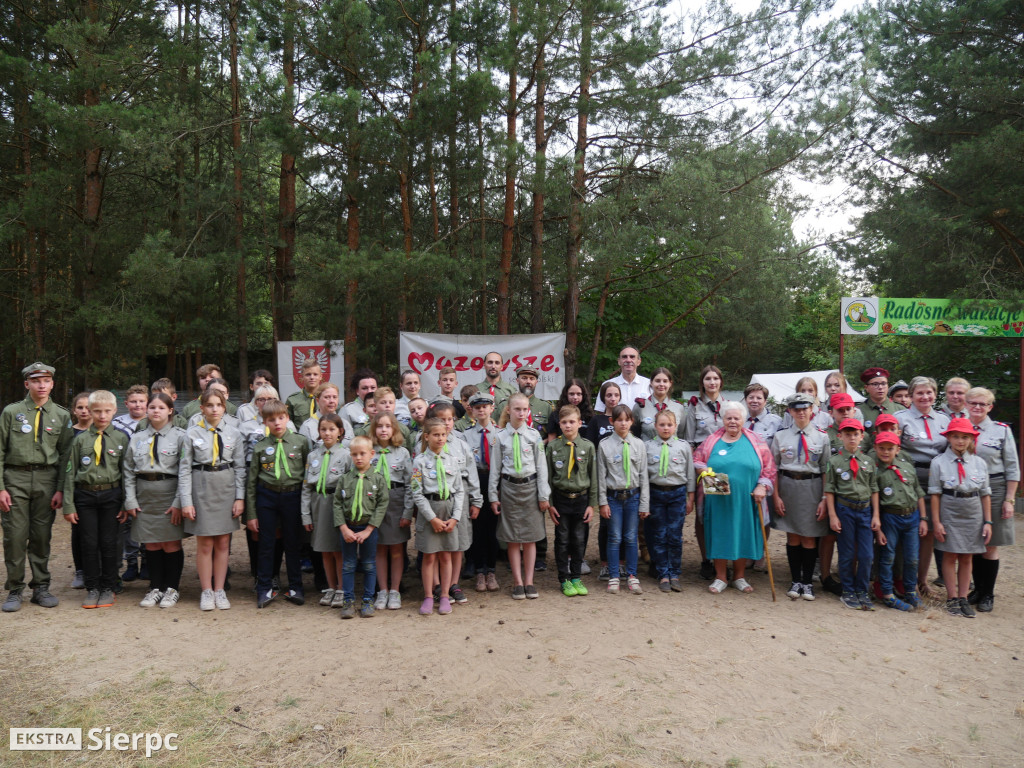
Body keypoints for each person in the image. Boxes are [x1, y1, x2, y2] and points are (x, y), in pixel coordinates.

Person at [0, 362, 72, 612]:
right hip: (15, 479)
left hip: (47, 480)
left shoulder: (61, 415)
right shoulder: (11, 412)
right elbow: (0, 450)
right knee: (15, 537)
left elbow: (65, 455)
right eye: (36, 381)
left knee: (42, 538)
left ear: (52, 384)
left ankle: (41, 587)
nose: (42, 385)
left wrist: (60, 488)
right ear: (26, 384)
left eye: (46, 381)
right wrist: (1, 488)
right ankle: (15, 589)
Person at [693, 400, 776, 595]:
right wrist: (704, 470)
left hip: (747, 499)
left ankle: (739, 576)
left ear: (743, 420)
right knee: (720, 533)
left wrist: (763, 486)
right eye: (728, 418)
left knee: (742, 533)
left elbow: (769, 468)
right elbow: (697, 460)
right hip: (718, 498)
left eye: (736, 418)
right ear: (722, 419)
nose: (732, 421)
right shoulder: (712, 440)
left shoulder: (756, 440)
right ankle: (720, 576)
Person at [180, 389, 246, 611]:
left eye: (219, 405)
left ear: (224, 407)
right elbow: (184, 470)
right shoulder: (191, 434)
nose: (214, 409)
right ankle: (206, 590)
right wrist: (186, 501)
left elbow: (239, 468)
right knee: (206, 543)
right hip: (202, 487)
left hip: (225, 487)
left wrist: (240, 498)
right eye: (210, 405)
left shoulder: (234, 433)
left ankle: (220, 590)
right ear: (202, 409)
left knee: (224, 543)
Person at [62, 390, 128, 609]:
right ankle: (92, 588)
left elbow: (126, 472)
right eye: (97, 411)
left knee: (109, 543)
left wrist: (125, 502)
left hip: (112, 496)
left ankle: (108, 587)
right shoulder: (80, 440)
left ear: (115, 411)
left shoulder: (120, 438)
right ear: (89, 411)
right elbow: (70, 472)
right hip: (85, 496)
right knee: (88, 543)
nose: (102, 415)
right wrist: (69, 505)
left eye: (107, 411)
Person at [123, 392, 188, 609]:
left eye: (161, 407)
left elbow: (185, 472)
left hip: (169, 494)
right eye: (152, 407)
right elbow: (128, 471)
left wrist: (179, 501)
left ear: (170, 410)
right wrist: (130, 500)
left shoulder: (180, 436)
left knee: (170, 543)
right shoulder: (137, 437)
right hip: (145, 496)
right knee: (150, 543)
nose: (156, 411)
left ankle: (172, 589)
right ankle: (155, 588)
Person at [245, 399, 309, 608]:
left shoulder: (300, 442)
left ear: (288, 418)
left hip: (293, 496)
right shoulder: (260, 447)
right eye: (271, 420)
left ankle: (295, 587)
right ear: (265, 422)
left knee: (292, 543)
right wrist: (251, 514)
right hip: (267, 496)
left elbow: (308, 475)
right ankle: (264, 588)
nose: (277, 423)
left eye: (281, 418)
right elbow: (252, 482)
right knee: (266, 544)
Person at [488, 393, 550, 600]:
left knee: (530, 537)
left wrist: (544, 495)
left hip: (530, 488)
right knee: (513, 538)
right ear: (508, 410)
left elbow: (542, 468)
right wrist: (493, 496)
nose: (521, 413)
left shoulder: (534, 436)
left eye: (524, 409)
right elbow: (495, 469)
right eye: (517, 409)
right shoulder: (500, 437)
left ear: (529, 411)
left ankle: (530, 581)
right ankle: (517, 581)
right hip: (509, 489)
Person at [930, 418, 991, 618]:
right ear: (948, 437)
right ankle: (952, 597)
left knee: (967, 556)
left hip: (973, 511)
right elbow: (935, 494)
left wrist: (987, 521)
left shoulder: (979, 463)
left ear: (972, 439)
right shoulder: (938, 463)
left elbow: (985, 493)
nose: (960, 441)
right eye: (955, 436)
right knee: (949, 554)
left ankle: (963, 597)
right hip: (950, 508)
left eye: (965, 437)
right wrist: (937, 521)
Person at [771, 393, 830, 601]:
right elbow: (774, 469)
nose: (801, 412)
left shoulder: (822, 437)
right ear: (790, 412)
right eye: (796, 409)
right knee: (792, 535)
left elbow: (825, 470)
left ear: (812, 410)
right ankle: (795, 580)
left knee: (809, 536)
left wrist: (824, 499)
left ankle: (807, 582)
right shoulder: (781, 437)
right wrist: (776, 496)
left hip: (812, 488)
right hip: (788, 488)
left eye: (805, 408)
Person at [964, 387, 1018, 612]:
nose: (977, 407)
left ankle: (988, 593)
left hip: (995, 488)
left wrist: (1009, 499)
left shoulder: (1001, 431)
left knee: (990, 544)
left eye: (982, 404)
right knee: (974, 543)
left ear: (990, 407)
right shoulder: (959, 427)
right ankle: (976, 589)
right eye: (973, 403)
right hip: (968, 489)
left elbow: (1012, 467)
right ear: (966, 404)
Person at [895, 376, 950, 595]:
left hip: (936, 481)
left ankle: (921, 580)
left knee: (927, 534)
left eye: (929, 392)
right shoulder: (900, 418)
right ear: (911, 395)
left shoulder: (944, 420)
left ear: (935, 394)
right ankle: (900, 580)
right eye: (919, 393)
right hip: (908, 479)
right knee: (905, 528)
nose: (925, 397)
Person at [409, 418, 465, 614]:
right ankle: (428, 595)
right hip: (429, 512)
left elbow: (459, 490)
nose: (440, 438)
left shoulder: (452, 460)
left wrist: (455, 517)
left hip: (448, 511)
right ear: (427, 436)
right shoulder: (419, 462)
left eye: (443, 434)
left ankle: (444, 596)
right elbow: (416, 492)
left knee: (446, 556)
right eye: (436, 435)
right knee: (429, 557)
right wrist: (431, 518)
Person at [824, 418, 880, 611]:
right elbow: (829, 489)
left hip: (865, 510)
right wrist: (832, 515)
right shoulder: (835, 461)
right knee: (847, 553)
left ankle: (862, 590)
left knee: (866, 554)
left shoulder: (868, 461)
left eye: (855, 434)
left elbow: (874, 488)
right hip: (845, 510)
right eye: (847, 434)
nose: (852, 438)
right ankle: (848, 590)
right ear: (840, 436)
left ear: (862, 436)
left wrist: (876, 515)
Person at [430, 402, 481, 604]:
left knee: (458, 544)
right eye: (442, 419)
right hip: (435, 501)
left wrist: (476, 500)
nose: (447, 423)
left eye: (450, 419)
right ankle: (435, 584)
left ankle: (453, 584)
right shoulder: (424, 444)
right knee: (436, 545)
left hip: (460, 499)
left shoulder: (462, 444)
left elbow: (472, 475)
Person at [333, 435, 388, 618]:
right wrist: (343, 528)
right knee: (348, 564)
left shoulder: (378, 479)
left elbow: (382, 505)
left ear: (372, 454)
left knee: (369, 565)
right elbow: (337, 504)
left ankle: (367, 600)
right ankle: (348, 601)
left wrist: (369, 529)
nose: (358, 458)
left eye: (362, 453)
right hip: (348, 528)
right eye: (354, 454)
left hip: (368, 529)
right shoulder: (344, 479)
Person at [545, 404, 597, 597]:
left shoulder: (588, 447)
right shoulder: (552, 447)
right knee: (563, 539)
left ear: (579, 423)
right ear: (559, 424)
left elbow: (594, 478)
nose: (568, 426)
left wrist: (592, 505)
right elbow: (548, 478)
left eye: (572, 422)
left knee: (579, 539)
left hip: (581, 499)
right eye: (564, 422)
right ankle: (564, 579)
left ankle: (576, 577)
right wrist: (550, 504)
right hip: (561, 500)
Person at [597, 404, 649, 595]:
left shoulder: (639, 445)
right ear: (612, 422)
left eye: (627, 420)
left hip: (633, 498)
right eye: (619, 420)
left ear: (632, 422)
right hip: (614, 499)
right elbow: (601, 477)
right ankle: (613, 576)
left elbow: (644, 476)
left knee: (630, 537)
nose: (623, 423)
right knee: (614, 537)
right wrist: (602, 502)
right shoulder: (604, 446)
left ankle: (632, 575)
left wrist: (644, 503)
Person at [684, 364, 729, 580]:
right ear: (702, 383)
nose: (712, 382)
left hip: (724, 467)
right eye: (708, 379)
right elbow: (690, 441)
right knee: (703, 514)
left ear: (721, 381)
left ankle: (722, 557)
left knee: (721, 513)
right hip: (705, 468)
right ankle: (706, 560)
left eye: (715, 378)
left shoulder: (729, 406)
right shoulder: (694, 409)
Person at [872, 431, 926, 611]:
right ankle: (887, 594)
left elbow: (919, 493)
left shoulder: (907, 467)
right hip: (890, 517)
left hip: (912, 517)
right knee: (888, 556)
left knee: (911, 558)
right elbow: (875, 500)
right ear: (875, 448)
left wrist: (924, 518)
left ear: (898, 450)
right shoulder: (876, 472)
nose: (886, 452)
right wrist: (878, 527)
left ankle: (911, 591)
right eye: (882, 448)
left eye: (890, 448)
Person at [300, 413, 349, 609]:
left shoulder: (346, 455)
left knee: (338, 550)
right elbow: (306, 487)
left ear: (340, 432)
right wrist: (305, 515)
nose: (327, 433)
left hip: (337, 504)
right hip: (318, 504)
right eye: (323, 429)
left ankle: (342, 588)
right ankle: (330, 586)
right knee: (324, 550)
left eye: (331, 429)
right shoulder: (313, 456)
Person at [644, 409, 694, 592]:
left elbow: (689, 474)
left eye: (669, 425)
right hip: (655, 493)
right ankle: (662, 573)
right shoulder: (647, 446)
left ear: (676, 426)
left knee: (674, 535)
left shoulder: (683, 446)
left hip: (677, 494)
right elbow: (643, 476)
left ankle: (674, 573)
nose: (666, 428)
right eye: (662, 425)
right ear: (655, 426)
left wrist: (690, 498)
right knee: (658, 535)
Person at [368, 412, 411, 611]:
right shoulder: (368, 452)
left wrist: (407, 512)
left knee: (396, 549)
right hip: (374, 502)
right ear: (374, 429)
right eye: (379, 426)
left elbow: (411, 484)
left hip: (396, 500)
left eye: (387, 426)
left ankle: (395, 591)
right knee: (379, 548)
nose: (383, 430)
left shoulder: (402, 453)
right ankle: (382, 590)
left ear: (394, 429)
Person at [462, 393, 501, 591]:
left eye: (485, 406)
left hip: (494, 483)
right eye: (477, 407)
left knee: (492, 529)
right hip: (474, 482)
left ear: (492, 408)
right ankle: (479, 570)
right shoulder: (465, 436)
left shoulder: (500, 434)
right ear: (472, 410)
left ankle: (491, 571)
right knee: (476, 528)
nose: (481, 410)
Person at [586, 381, 620, 580]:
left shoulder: (625, 418)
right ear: (603, 398)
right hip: (602, 477)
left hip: (622, 478)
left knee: (622, 523)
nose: (612, 398)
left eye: (616, 395)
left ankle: (621, 563)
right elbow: (590, 448)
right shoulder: (596, 421)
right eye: (608, 395)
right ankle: (605, 563)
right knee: (606, 522)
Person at [67, 391, 92, 590]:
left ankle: (97, 570)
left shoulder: (103, 431)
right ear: (74, 410)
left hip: (99, 490)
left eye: (87, 407)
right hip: (77, 491)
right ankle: (81, 570)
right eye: (80, 407)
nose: (84, 411)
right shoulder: (68, 433)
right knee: (78, 532)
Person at [631, 367, 686, 441]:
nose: (661, 384)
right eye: (657, 381)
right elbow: (634, 435)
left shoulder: (678, 408)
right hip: (647, 451)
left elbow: (681, 435)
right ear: (651, 382)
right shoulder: (640, 407)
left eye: (665, 381)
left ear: (670, 383)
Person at [594, 346, 652, 413]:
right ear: (619, 361)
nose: (628, 360)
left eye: (632, 357)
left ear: (639, 361)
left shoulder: (649, 384)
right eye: (624, 357)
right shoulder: (607, 385)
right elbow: (601, 412)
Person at [858, 367, 904, 433]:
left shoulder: (900, 409)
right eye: (875, 384)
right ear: (866, 388)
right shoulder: (859, 411)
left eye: (883, 383)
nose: (880, 387)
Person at [298, 382, 342, 448]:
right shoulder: (308, 427)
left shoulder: (345, 424)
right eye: (327, 397)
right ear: (318, 400)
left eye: (335, 397)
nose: (332, 401)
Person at [286, 357, 324, 430]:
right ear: (302, 376)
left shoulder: (328, 398)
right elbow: (288, 426)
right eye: (308, 374)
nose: (312, 377)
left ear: (320, 376)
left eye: (315, 374)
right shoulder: (292, 400)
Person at [744, 383, 783, 448]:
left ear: (765, 401)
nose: (755, 401)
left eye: (759, 398)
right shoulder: (739, 420)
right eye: (751, 397)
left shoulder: (776, 422)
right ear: (745, 400)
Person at [340, 369, 379, 433]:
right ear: (357, 391)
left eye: (373, 387)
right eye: (364, 388)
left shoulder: (384, 406)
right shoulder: (348, 410)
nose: (369, 391)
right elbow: (343, 436)